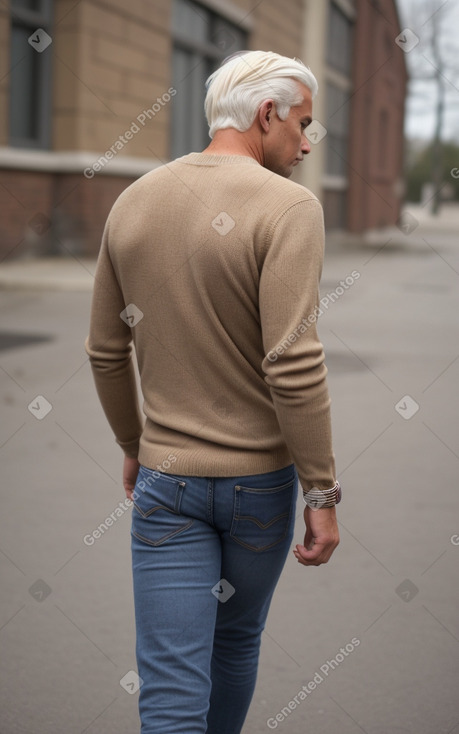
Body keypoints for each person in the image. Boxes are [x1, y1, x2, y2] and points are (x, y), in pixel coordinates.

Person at [85, 49, 340, 734]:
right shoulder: (288, 208)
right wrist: (320, 493)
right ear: (267, 114)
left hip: (165, 481)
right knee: (233, 641)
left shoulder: (133, 201)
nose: (306, 143)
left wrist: (134, 444)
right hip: (258, 486)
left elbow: (106, 351)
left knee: (170, 680)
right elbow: (291, 364)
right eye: (303, 124)